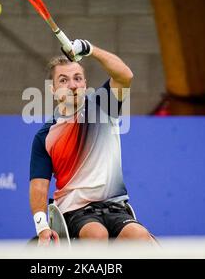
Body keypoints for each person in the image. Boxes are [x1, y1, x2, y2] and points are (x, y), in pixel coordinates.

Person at [29, 39, 157, 246]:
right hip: (75, 211)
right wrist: (42, 226)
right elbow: (39, 185)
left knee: (140, 237)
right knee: (96, 235)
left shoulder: (104, 107)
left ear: (85, 84)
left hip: (116, 207)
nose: (72, 85)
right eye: (63, 80)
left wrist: (89, 49)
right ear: (52, 90)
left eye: (77, 78)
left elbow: (125, 75)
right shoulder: (45, 135)